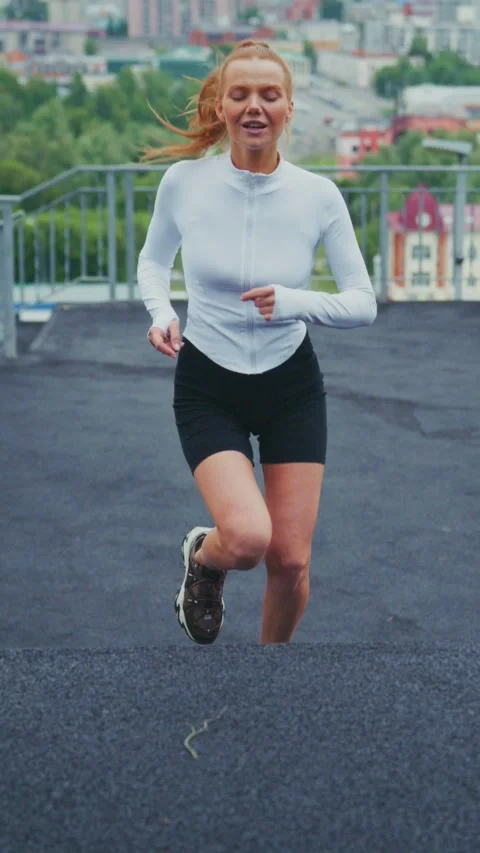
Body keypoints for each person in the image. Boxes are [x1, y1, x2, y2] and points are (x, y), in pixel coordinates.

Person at [137, 40, 377, 647]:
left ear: (289, 108)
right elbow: (153, 261)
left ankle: (272, 671)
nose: (254, 106)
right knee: (247, 539)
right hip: (208, 382)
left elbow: (362, 302)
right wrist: (162, 312)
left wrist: (295, 301)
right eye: (240, 94)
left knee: (291, 561)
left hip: (289, 385)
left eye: (269, 95)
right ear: (220, 106)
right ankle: (205, 555)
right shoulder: (184, 182)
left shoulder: (317, 195)